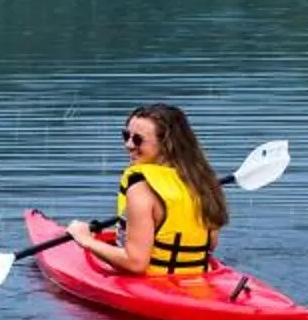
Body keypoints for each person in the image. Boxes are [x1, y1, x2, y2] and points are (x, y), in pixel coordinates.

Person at [64, 102, 228, 290]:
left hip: (155, 286)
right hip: (198, 281)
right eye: (126, 136)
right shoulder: (203, 182)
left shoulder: (141, 190)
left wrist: (85, 240)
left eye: (137, 140)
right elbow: (210, 245)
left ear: (166, 145)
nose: (128, 145)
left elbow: (136, 263)